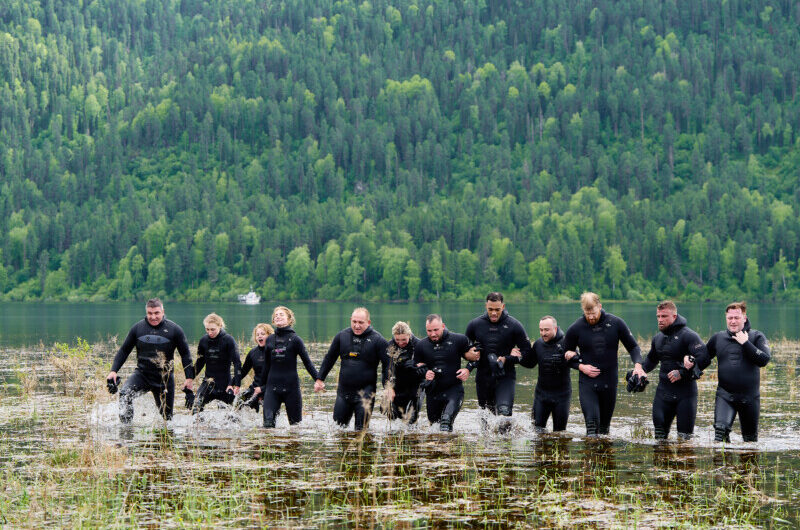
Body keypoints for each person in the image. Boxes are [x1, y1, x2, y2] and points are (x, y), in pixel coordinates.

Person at [563, 292, 646, 436]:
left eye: (593, 313)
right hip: (587, 383)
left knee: (604, 430)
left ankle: (605, 457)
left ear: (599, 306)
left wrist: (638, 366)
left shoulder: (616, 323)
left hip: (609, 382)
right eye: (587, 313)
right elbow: (563, 355)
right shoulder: (576, 328)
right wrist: (580, 366)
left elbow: (633, 347)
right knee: (592, 427)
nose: (591, 317)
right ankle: (590, 457)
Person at [106, 298, 194, 423]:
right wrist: (113, 371)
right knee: (125, 394)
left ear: (163, 312)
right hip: (142, 375)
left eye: (156, 313)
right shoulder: (137, 328)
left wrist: (189, 379)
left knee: (167, 419)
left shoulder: (175, 330)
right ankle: (126, 431)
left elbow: (186, 355)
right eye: (150, 313)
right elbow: (124, 350)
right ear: (146, 312)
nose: (153, 317)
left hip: (164, 379)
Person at [697, 302, 770, 442]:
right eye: (730, 318)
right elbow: (703, 360)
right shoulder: (718, 338)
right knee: (720, 433)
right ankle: (724, 464)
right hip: (725, 395)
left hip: (750, 398)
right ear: (726, 318)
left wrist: (746, 343)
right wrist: (689, 365)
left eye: (737, 318)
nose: (733, 321)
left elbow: (764, 360)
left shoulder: (756, 337)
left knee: (750, 442)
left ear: (744, 318)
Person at [641, 301, 707, 440]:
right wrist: (639, 371)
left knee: (684, 439)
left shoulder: (689, 335)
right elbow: (651, 360)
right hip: (663, 394)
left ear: (674, 316)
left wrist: (682, 372)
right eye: (658, 316)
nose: (660, 320)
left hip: (685, 395)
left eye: (664, 316)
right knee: (659, 438)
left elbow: (704, 358)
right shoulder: (658, 338)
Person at [316, 307, 389, 431]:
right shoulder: (341, 336)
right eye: (354, 322)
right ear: (350, 320)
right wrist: (319, 379)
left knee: (361, 433)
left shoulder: (378, 340)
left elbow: (387, 366)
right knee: (338, 430)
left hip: (365, 394)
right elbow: (329, 358)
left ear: (368, 322)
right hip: (343, 394)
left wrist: (387, 388)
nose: (357, 325)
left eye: (361, 322)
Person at [464, 292, 531, 419]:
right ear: (485, 306)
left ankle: (507, 439)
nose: (494, 313)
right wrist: (468, 355)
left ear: (503, 306)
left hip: (505, 377)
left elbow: (527, 353)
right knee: (486, 419)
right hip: (483, 378)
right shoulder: (475, 325)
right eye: (490, 309)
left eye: (497, 309)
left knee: (504, 415)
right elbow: (464, 349)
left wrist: (509, 358)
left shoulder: (514, 325)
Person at [260, 306, 320, 428]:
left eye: (281, 314)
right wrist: (260, 387)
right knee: (267, 426)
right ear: (273, 320)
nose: (278, 316)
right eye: (276, 315)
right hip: (272, 388)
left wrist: (318, 379)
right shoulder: (270, 339)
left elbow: (307, 363)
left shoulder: (296, 340)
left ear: (289, 319)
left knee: (296, 427)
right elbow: (266, 365)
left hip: (291, 389)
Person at [413, 314, 473, 432]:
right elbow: (416, 368)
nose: (433, 334)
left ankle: (449, 449)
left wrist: (467, 369)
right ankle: (438, 449)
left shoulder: (459, 339)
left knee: (445, 423)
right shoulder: (421, 345)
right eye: (429, 331)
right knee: (434, 428)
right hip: (433, 393)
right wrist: (424, 373)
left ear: (443, 326)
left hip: (454, 390)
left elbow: (476, 357)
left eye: (436, 330)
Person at [518, 315, 571, 432]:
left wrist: (573, 358)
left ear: (555, 329)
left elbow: (577, 362)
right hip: (541, 396)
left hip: (562, 396)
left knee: (560, 433)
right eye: (541, 330)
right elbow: (530, 363)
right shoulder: (538, 344)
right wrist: (518, 357)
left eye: (546, 330)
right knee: (536, 431)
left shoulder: (566, 342)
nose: (543, 333)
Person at [191, 313, 242, 413]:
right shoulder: (203, 341)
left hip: (225, 384)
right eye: (207, 329)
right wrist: (189, 378)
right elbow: (200, 363)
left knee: (228, 415)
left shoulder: (228, 340)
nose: (210, 332)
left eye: (213, 329)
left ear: (220, 326)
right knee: (196, 408)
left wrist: (236, 384)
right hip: (208, 382)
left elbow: (237, 363)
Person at [384, 321, 423, 424]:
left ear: (409, 335)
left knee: (411, 420)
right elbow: (387, 369)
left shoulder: (418, 345)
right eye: (397, 340)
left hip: (415, 385)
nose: (401, 343)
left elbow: (427, 367)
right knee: (393, 418)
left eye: (404, 340)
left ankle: (413, 437)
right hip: (399, 385)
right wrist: (388, 388)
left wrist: (415, 365)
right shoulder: (391, 346)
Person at [237, 323, 275, 412]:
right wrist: (232, 383)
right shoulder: (253, 353)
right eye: (257, 335)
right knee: (238, 403)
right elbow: (243, 371)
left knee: (270, 417)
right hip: (255, 388)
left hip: (271, 389)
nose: (259, 336)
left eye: (262, 334)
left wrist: (262, 389)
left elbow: (280, 377)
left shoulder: (275, 351)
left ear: (269, 335)